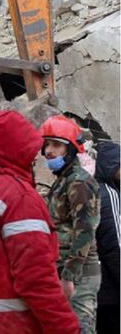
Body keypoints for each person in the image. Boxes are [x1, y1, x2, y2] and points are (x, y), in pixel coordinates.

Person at [0, 110, 80, 333]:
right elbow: (35, 280)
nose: (37, 156)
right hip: (17, 325)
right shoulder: (19, 198)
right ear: (18, 149)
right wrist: (67, 328)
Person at [40, 115, 101, 331]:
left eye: (56, 145)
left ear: (71, 150)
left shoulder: (79, 182)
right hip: (64, 269)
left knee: (80, 328)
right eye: (47, 144)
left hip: (78, 274)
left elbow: (85, 231)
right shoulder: (63, 180)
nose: (49, 151)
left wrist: (69, 277)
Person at [94, 142, 120, 334]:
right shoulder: (109, 195)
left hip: (98, 291)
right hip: (110, 291)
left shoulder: (94, 190)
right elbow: (115, 245)